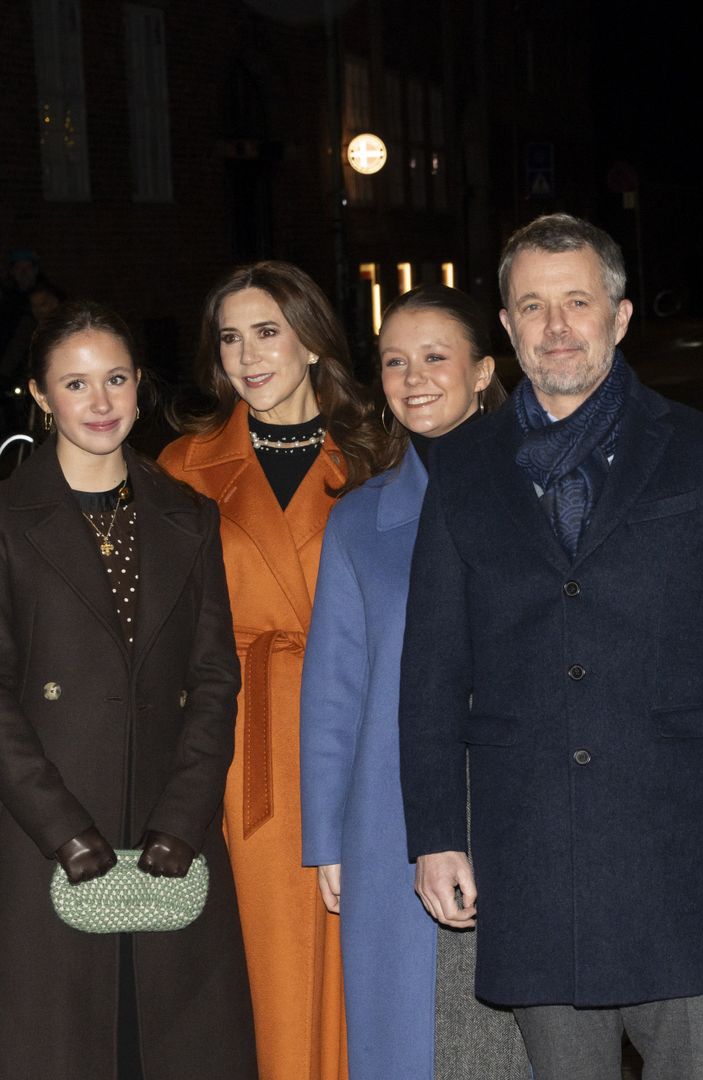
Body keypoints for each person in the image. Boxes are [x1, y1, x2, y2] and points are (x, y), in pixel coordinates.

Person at [397, 214, 703, 1080]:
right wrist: (434, 833)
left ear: (618, 315)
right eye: (532, 306)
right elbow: (430, 671)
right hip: (530, 848)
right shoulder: (461, 471)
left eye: (576, 302)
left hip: (679, 850)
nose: (556, 326)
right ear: (506, 326)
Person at [0, 301, 256, 1079]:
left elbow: (214, 680)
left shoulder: (189, 516)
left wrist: (184, 818)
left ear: (140, 385)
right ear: (41, 398)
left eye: (115, 379)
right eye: (75, 384)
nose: (101, 402)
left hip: (168, 837)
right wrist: (65, 832)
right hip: (40, 835)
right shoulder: (7, 520)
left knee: (175, 1049)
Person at [159, 262, 386, 1080]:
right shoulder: (184, 467)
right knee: (267, 960)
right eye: (229, 338)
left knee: (368, 957)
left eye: (266, 332)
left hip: (361, 733)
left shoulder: (379, 452)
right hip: (240, 742)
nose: (247, 357)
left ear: (313, 341)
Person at [301, 284, 531, 1079]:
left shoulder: (544, 494)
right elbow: (334, 688)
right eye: (395, 361)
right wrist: (327, 837)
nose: (414, 376)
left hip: (523, 791)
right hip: (391, 809)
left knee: (521, 1033)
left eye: (436, 356)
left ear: (483, 372)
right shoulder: (360, 520)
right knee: (412, 1035)